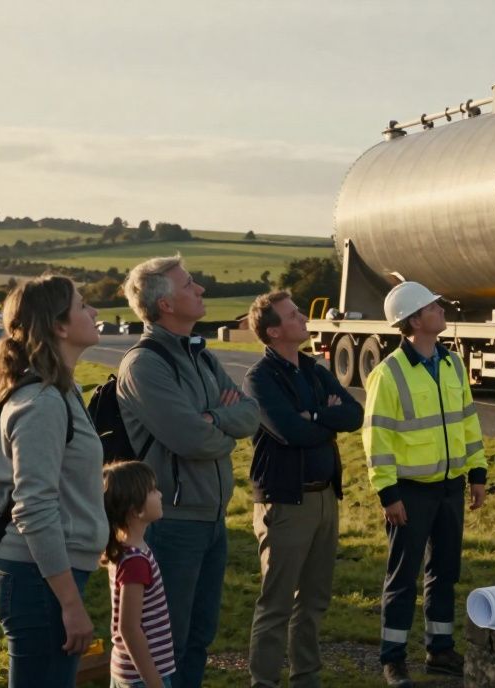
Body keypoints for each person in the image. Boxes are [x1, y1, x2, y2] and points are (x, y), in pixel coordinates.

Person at [115, 255, 259, 688]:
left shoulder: (201, 355)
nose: (200, 290)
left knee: (199, 638)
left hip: (213, 518)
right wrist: (219, 422)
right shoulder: (144, 365)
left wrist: (212, 419)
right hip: (172, 523)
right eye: (189, 284)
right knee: (168, 645)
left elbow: (251, 414)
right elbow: (192, 439)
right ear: (165, 305)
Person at [0, 275, 109, 688]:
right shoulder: (41, 403)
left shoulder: (60, 392)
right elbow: (34, 507)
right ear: (59, 326)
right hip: (39, 580)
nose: (93, 313)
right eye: (83, 305)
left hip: (47, 576)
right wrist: (70, 602)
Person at [362, 281, 487, 688]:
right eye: (433, 306)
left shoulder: (452, 364)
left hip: (450, 488)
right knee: (403, 577)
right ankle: (393, 659)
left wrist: (478, 473)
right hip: (410, 492)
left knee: (445, 572)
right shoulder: (388, 374)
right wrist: (388, 494)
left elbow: (468, 422)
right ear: (414, 320)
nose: (441, 309)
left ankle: (440, 649)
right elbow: (377, 439)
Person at [243, 291, 363, 688]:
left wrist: (315, 414)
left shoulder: (313, 369)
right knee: (277, 604)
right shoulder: (259, 378)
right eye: (293, 315)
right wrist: (325, 418)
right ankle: (264, 681)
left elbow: (354, 414)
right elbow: (289, 432)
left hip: (325, 497)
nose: (303, 318)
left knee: (313, 601)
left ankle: (305, 678)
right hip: (286, 502)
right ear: (274, 331)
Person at [104, 460, 176, 688]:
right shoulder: (135, 561)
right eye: (153, 490)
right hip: (142, 677)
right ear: (136, 509)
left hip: (131, 673)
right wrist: (154, 682)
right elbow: (129, 628)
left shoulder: (129, 550)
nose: (161, 494)